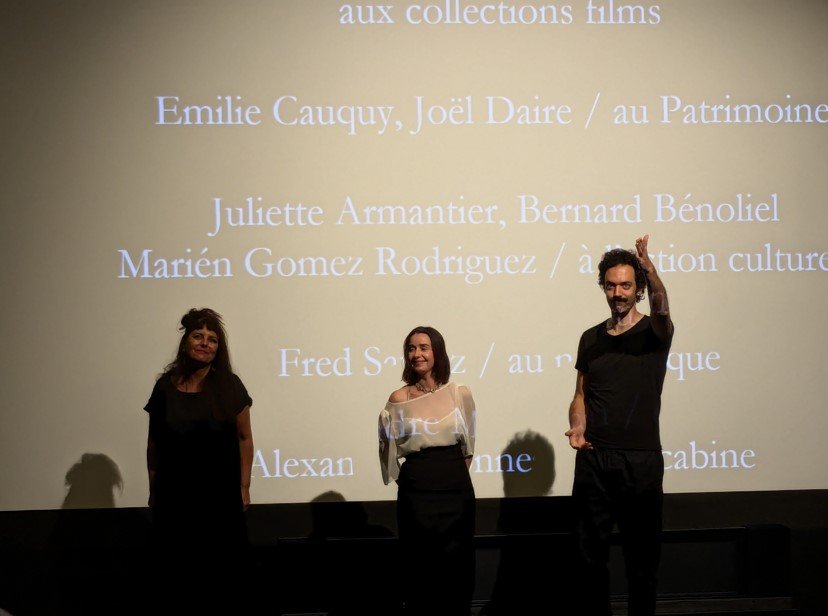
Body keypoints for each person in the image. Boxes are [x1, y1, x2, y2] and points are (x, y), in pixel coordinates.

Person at [565, 235, 673, 616]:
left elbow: (662, 309)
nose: (617, 292)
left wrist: (650, 268)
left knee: (641, 562)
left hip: (639, 461)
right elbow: (580, 395)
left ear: (638, 288)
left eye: (626, 285)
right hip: (595, 460)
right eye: (611, 285)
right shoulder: (590, 338)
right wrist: (578, 425)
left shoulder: (653, 333)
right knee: (588, 558)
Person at [144, 308, 253, 610]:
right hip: (174, 498)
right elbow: (154, 444)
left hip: (219, 499)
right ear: (186, 342)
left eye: (212, 339)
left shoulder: (230, 386)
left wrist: (243, 487)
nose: (205, 343)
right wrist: (153, 489)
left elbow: (245, 439)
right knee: (176, 581)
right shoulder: (165, 387)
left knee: (220, 581)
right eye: (199, 337)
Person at [378, 326, 477, 616]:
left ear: (437, 351)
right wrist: (414, 481)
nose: (417, 354)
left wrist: (451, 475)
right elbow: (388, 450)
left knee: (457, 561)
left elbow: (469, 445)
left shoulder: (459, 392)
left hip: (455, 488)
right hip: (417, 490)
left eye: (423, 347)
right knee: (420, 563)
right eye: (411, 348)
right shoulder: (398, 399)